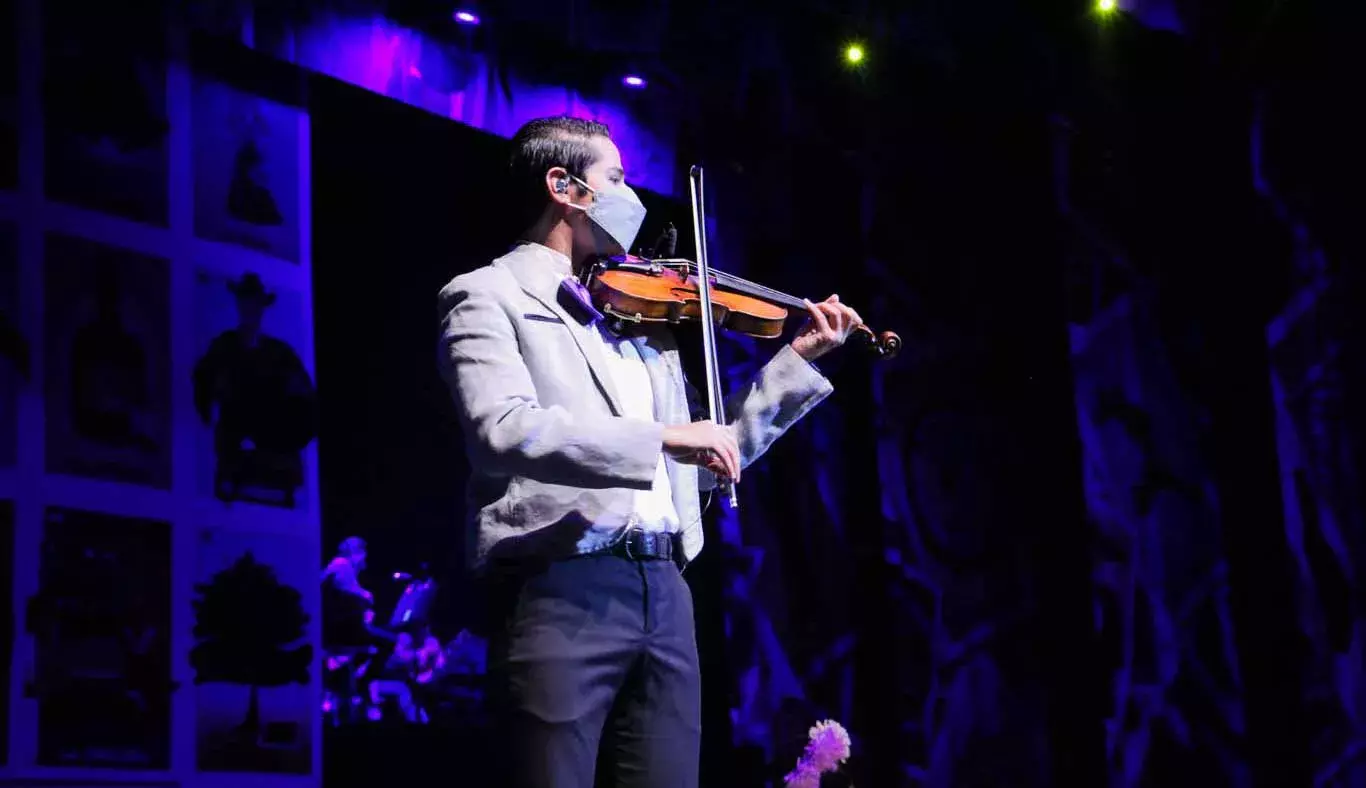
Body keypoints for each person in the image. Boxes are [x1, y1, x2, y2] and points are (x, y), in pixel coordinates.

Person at [437, 115, 863, 787]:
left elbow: (706, 459)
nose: (630, 197)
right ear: (565, 187)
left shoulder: (644, 323)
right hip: (562, 581)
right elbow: (503, 428)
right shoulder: (486, 295)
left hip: (666, 589)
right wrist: (664, 436)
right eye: (616, 178)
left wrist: (796, 362)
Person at [192, 272, 316, 507]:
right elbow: (203, 382)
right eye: (245, 300)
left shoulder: (281, 353)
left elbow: (305, 398)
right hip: (236, 445)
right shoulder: (224, 346)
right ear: (239, 303)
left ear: (262, 306)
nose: (250, 307)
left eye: (254, 301)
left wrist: (289, 428)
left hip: (273, 447)